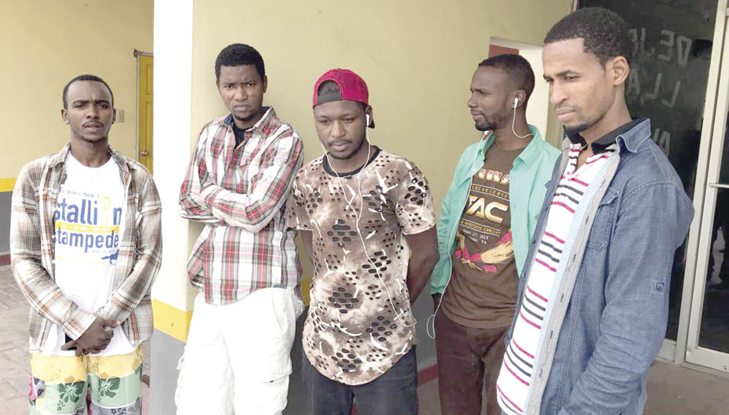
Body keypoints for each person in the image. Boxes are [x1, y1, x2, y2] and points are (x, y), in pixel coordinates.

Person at [495, 8, 694, 415]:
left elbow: (629, 338)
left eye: (570, 78)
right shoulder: (569, 157)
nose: (556, 96)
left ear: (617, 71)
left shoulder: (647, 186)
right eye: (551, 80)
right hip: (520, 394)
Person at [287, 68, 439, 415]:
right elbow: (313, 243)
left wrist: (388, 304)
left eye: (348, 119)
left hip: (386, 348)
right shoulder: (307, 180)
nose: (336, 132)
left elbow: (427, 253)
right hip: (322, 345)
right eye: (325, 121)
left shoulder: (398, 174)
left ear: (367, 114)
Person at [10, 74, 162, 414]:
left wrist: (102, 324)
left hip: (119, 337)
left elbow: (150, 257)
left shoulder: (137, 179)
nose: (92, 112)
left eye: (101, 105)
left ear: (113, 114)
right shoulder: (36, 176)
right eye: (81, 105)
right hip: (55, 338)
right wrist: (78, 324)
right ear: (66, 114)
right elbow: (23, 260)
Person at [175, 43, 304, 415]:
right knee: (200, 399)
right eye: (230, 86)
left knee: (259, 403)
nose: (240, 95)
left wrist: (211, 193)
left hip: (263, 291)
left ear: (264, 84)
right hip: (212, 288)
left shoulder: (285, 140)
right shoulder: (211, 133)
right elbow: (185, 201)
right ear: (220, 87)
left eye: (249, 84)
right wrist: (237, 202)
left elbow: (258, 212)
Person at [429, 54, 560, 415]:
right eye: (472, 91)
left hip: (510, 324)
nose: (471, 101)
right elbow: (448, 221)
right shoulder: (471, 156)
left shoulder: (553, 166)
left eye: (482, 93)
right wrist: (438, 290)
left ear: (516, 99)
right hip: (454, 316)